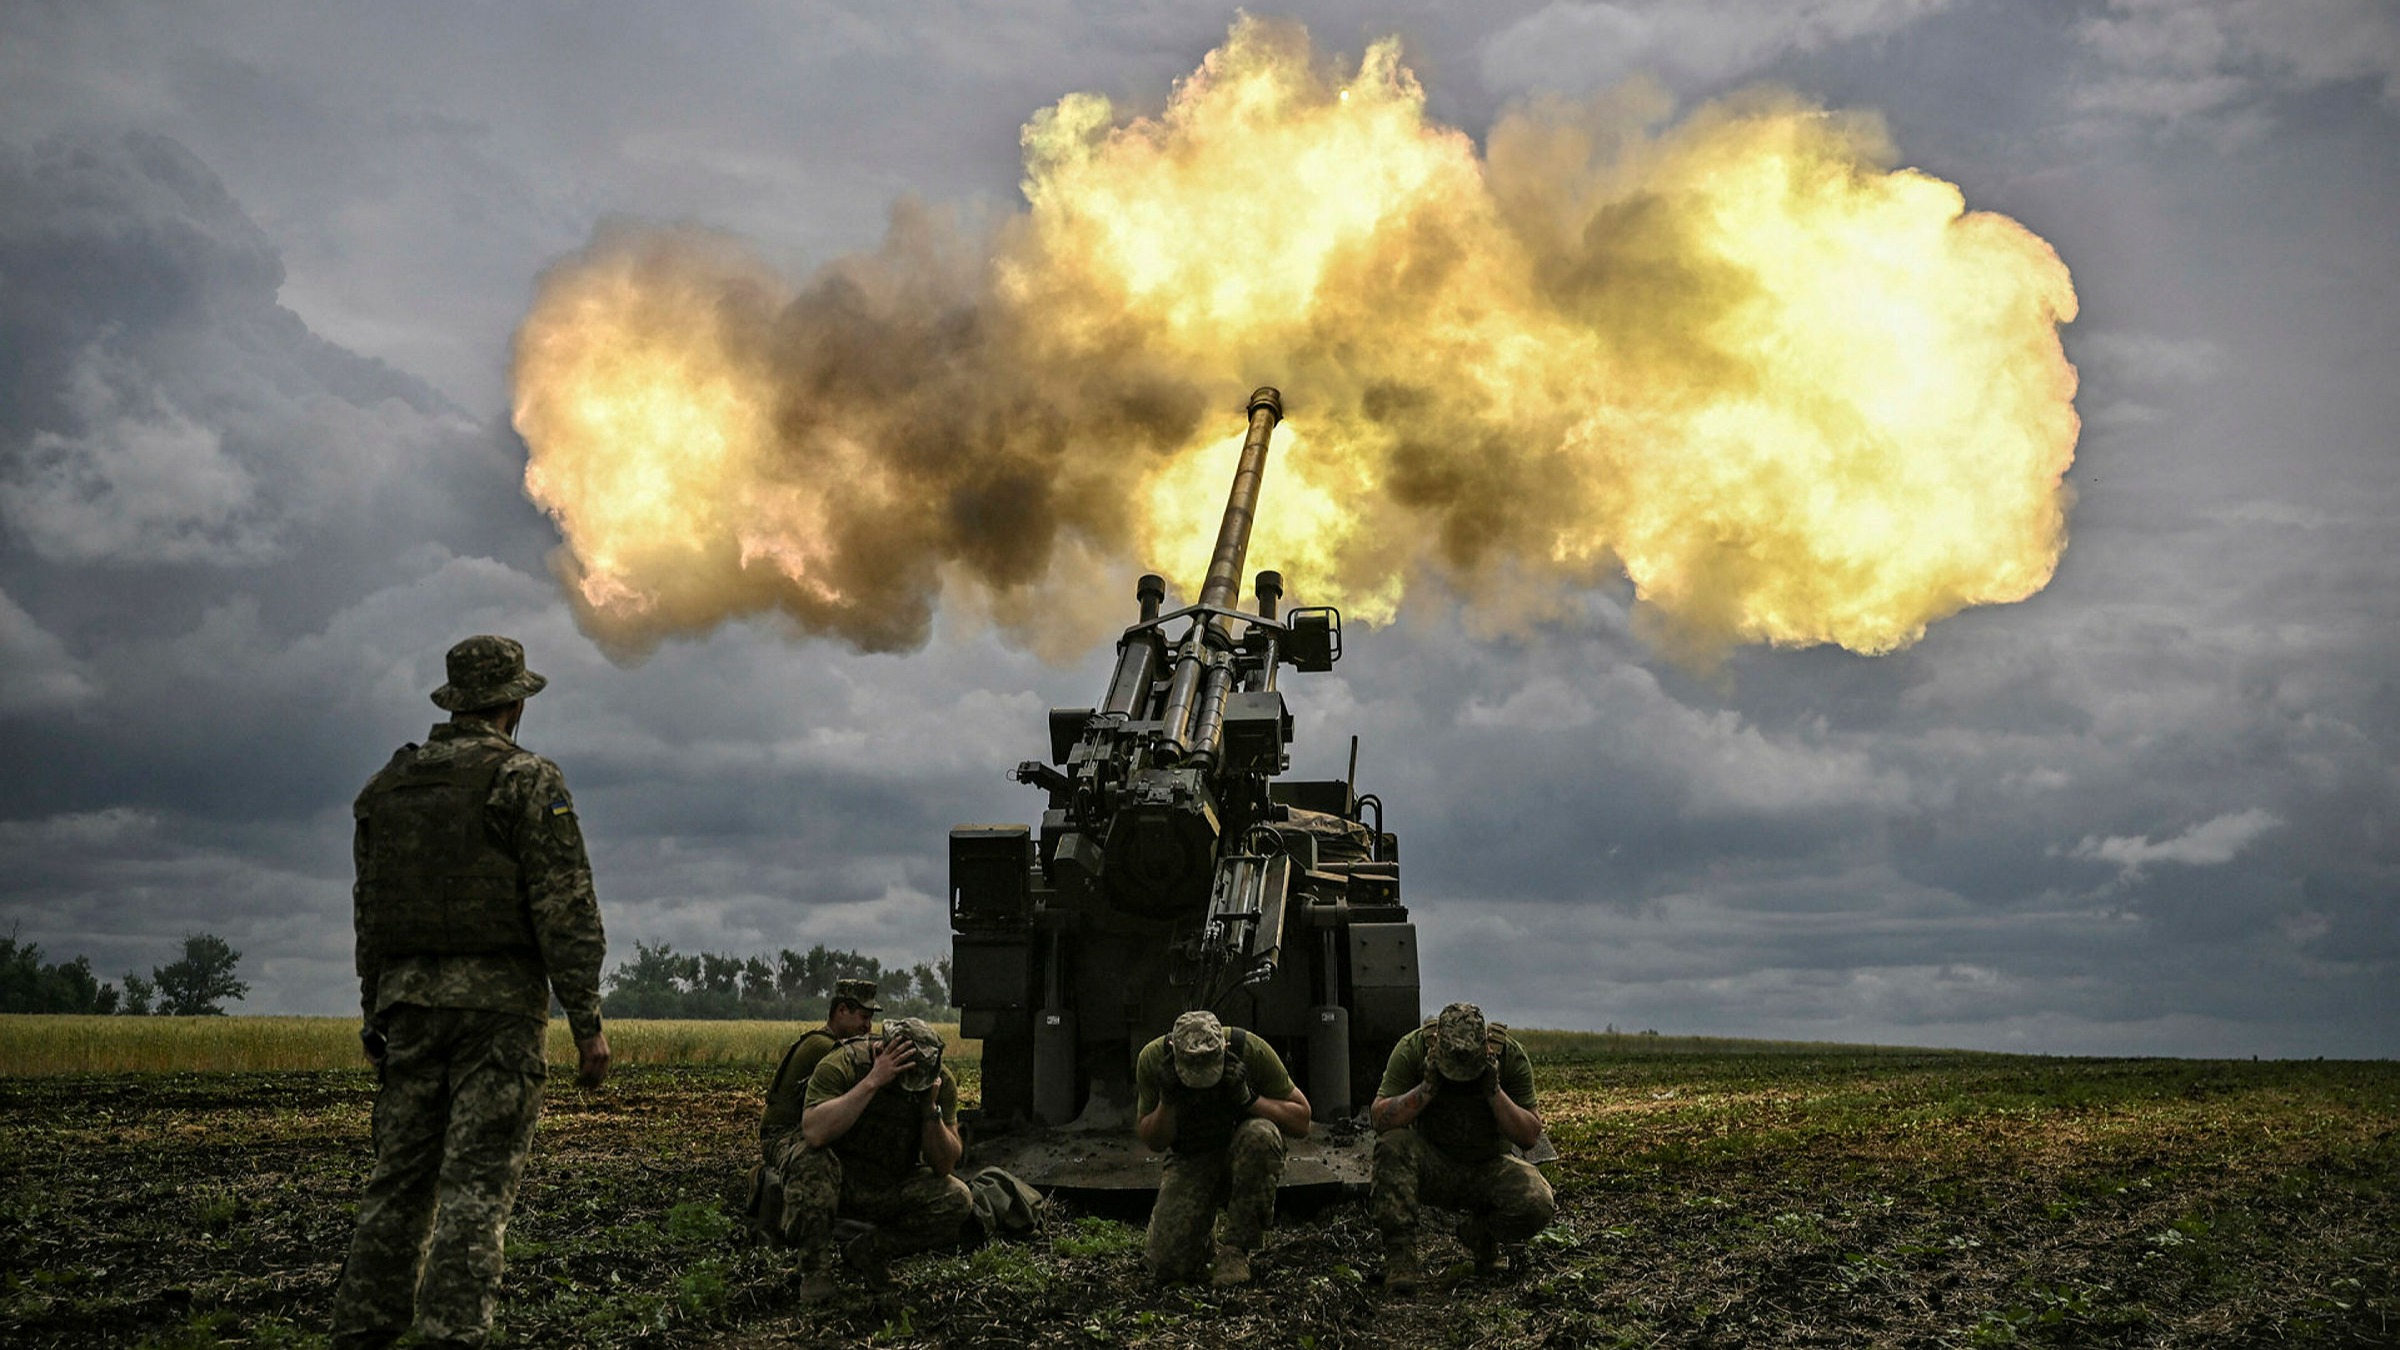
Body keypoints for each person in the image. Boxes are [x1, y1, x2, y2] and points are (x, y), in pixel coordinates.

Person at [331, 635, 610, 1349]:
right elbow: (564, 906)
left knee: (397, 1182)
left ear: (456, 701)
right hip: (497, 1014)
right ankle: (450, 1335)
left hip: (407, 1006)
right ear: (514, 702)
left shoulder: (384, 790)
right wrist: (587, 1023)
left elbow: (370, 915)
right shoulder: (527, 780)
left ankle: (365, 1329)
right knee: (475, 1189)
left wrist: (374, 1012)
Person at [1368, 1001, 1553, 1296]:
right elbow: (1380, 1119)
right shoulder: (1413, 1049)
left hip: (1488, 1166)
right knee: (1392, 1145)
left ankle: (1480, 1235)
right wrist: (1426, 1088)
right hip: (1433, 1166)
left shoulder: (1509, 1057)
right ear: (1437, 1042)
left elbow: (1530, 1135)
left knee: (1537, 1199)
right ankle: (1400, 1261)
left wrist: (1493, 1091)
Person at [784, 1016, 972, 1301]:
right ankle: (815, 1270)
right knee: (812, 1160)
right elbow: (814, 1132)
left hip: (889, 1181)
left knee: (957, 1197)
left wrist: (929, 1109)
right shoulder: (844, 1064)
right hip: (840, 1179)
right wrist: (873, 1081)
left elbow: (945, 1164)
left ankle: (868, 1252)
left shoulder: (939, 1082)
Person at [1133, 1010, 1312, 1287]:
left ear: (1225, 1048)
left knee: (1261, 1135)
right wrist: (1166, 1101)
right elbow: (1154, 1140)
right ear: (1172, 1051)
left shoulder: (1250, 1049)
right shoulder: (1153, 1060)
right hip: (1191, 1159)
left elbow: (1302, 1120)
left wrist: (1248, 1098)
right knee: (1168, 1267)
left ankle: (1236, 1250)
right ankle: (1202, 1235)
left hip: (1242, 1155)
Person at [759, 977, 882, 1166]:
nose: (868, 1026)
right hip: (782, 1134)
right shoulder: (825, 1048)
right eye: (863, 1017)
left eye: (870, 1019)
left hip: (805, 1128)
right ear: (841, 1010)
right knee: (817, 1164)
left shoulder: (832, 1044)